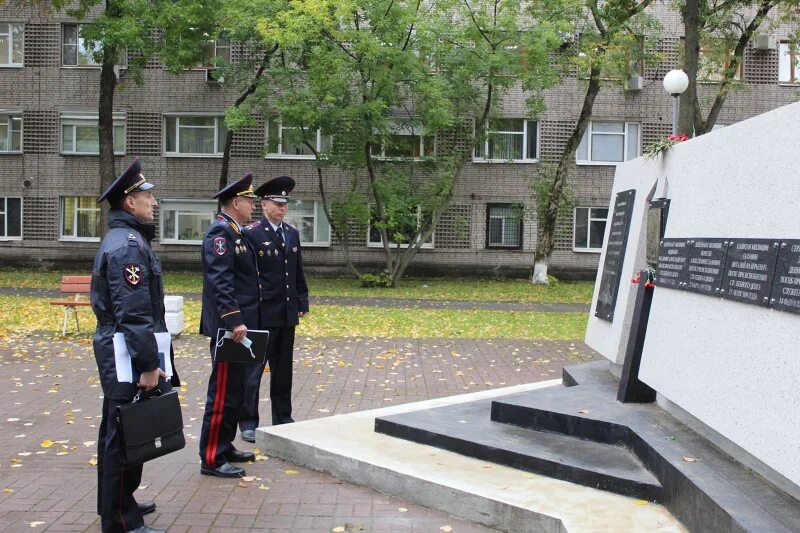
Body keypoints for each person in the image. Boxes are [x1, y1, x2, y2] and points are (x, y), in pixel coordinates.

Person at [91, 158, 177, 533]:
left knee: (119, 430)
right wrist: (147, 364)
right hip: (128, 354)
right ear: (130, 202)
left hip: (124, 349)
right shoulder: (128, 246)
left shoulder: (128, 239)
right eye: (148, 195)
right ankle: (121, 521)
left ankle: (119, 503)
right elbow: (134, 313)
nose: (154, 202)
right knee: (125, 435)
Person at [198, 172, 260, 477]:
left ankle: (225, 445)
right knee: (222, 393)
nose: (253, 206)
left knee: (235, 391)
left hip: (241, 328)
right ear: (236, 202)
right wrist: (234, 320)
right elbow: (220, 281)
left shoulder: (237, 232)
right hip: (229, 330)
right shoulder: (220, 234)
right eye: (250, 201)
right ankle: (211, 456)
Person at [239, 176, 309, 442]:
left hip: (286, 314)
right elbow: (246, 277)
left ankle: (283, 417)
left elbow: (296, 272)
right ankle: (248, 421)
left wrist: (301, 302)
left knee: (283, 371)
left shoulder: (291, 233)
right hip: (261, 314)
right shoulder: (252, 233)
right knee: (253, 370)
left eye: (285, 204)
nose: (282, 208)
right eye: (277, 203)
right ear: (264, 204)